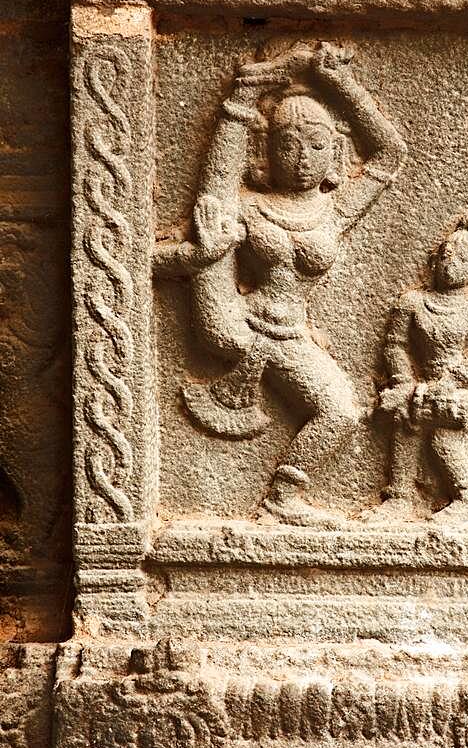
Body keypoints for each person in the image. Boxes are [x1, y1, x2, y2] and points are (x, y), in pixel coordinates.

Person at [154, 41, 406, 529]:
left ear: (336, 153)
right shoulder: (248, 205)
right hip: (234, 323)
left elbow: (390, 155)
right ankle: (252, 84)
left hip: (289, 335)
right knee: (215, 225)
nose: (302, 157)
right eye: (287, 144)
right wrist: (198, 254)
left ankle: (282, 497)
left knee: (341, 412)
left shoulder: (335, 212)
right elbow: (207, 199)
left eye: (316, 146)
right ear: (266, 152)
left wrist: (339, 83)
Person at [372, 209, 468, 523]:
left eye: (462, 259)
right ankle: (399, 498)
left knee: (442, 435)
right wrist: (403, 381)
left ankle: (465, 497)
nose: (450, 264)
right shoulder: (413, 302)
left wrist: (456, 378)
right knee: (406, 418)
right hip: (417, 383)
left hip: (453, 384)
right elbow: (395, 344)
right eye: (447, 255)